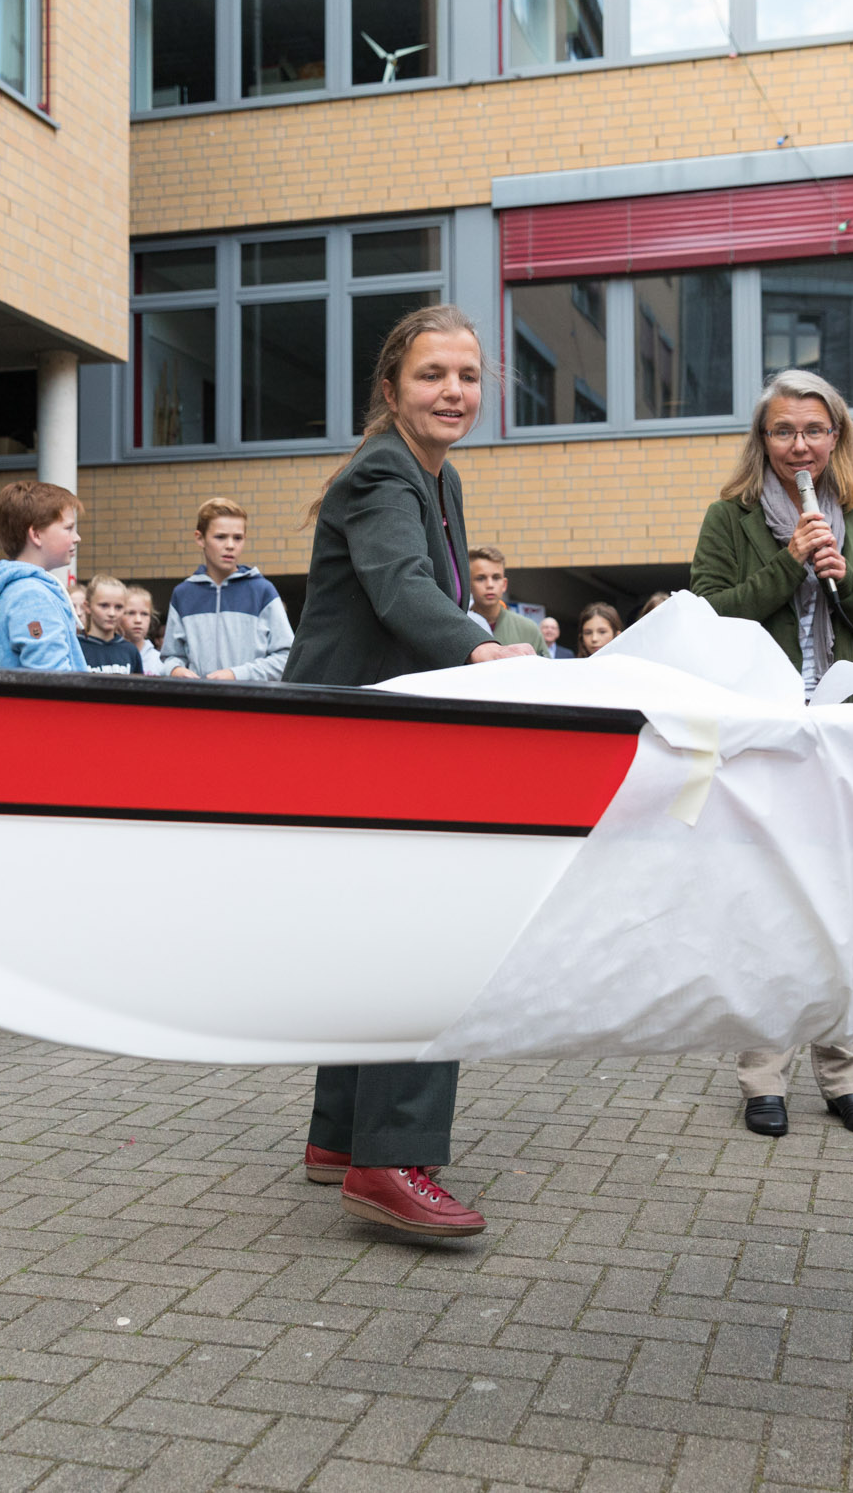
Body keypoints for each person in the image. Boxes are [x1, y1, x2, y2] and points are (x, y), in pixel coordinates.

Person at [287, 303, 531, 1238]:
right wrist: (481, 651)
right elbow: (403, 587)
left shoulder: (438, 475)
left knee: (373, 937)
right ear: (391, 389)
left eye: (468, 376)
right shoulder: (386, 468)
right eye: (433, 375)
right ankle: (390, 1161)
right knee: (435, 936)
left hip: (369, 735)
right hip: (361, 737)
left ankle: (341, 1139)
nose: (454, 392)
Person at [692, 368, 853, 1140]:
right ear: (763, 440)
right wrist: (787, 562)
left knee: (844, 911)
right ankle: (761, 1078)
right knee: (771, 905)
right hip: (765, 730)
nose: (800, 444)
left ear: (835, 436)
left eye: (814, 429)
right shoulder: (732, 517)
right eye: (783, 431)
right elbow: (708, 617)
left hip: (847, 733)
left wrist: (843, 580)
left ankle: (845, 1075)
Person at [0, 481, 88, 674]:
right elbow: (53, 679)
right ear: (36, 535)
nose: (77, 537)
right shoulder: (31, 596)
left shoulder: (22, 590)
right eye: (68, 528)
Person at [164, 499, 293, 680]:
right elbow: (171, 656)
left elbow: (286, 659)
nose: (230, 545)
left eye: (238, 538)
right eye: (221, 537)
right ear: (199, 538)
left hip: (249, 705)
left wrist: (236, 674)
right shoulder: (183, 594)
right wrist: (175, 670)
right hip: (199, 705)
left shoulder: (263, 590)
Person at [466, 545, 547, 654]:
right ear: (468, 584)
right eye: (480, 578)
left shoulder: (528, 629)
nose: (490, 585)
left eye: (496, 578)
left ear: (504, 584)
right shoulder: (458, 627)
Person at [77, 576, 142, 674]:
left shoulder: (130, 651)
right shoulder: (76, 647)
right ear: (87, 607)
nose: (112, 613)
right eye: (104, 605)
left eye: (118, 607)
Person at [123, 585, 166, 675]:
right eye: (131, 613)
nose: (138, 620)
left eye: (144, 614)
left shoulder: (160, 661)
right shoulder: (111, 655)